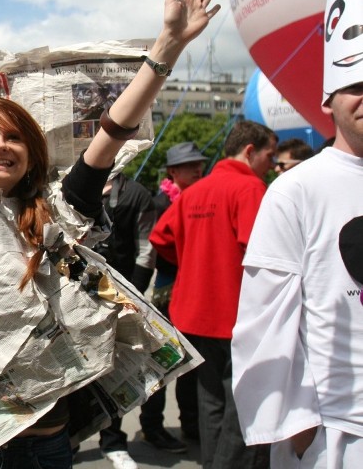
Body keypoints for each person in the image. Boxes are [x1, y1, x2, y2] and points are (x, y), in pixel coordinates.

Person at [0, 0, 221, 469]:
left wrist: (166, 45)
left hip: (47, 444)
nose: (0, 146)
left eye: (14, 138)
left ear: (30, 154)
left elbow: (113, 130)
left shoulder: (60, 211)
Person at [231, 0, 363, 469]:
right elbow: (264, 316)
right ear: (328, 100)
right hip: (338, 434)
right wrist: (299, 429)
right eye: (357, 85)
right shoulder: (295, 189)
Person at [150, 122, 277, 469]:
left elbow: (160, 237)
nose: (272, 162)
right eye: (270, 154)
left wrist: (193, 260)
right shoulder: (250, 188)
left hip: (196, 311)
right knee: (244, 405)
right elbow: (260, 252)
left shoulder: (195, 191)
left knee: (211, 399)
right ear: (250, 151)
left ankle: (213, 463)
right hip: (235, 313)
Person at [96, 172, 186, 465]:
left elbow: (147, 246)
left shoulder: (136, 194)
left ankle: (134, 434)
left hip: (127, 292)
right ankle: (89, 440)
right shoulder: (71, 186)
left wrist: (132, 292)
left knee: (139, 364)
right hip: (80, 292)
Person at [149, 141, 207, 444]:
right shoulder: (160, 203)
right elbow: (153, 247)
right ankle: (153, 428)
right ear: (173, 171)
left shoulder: (202, 198)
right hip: (167, 291)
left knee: (192, 365)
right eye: (189, 165)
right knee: (164, 362)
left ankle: (192, 426)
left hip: (196, 289)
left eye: (199, 163)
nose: (197, 169)